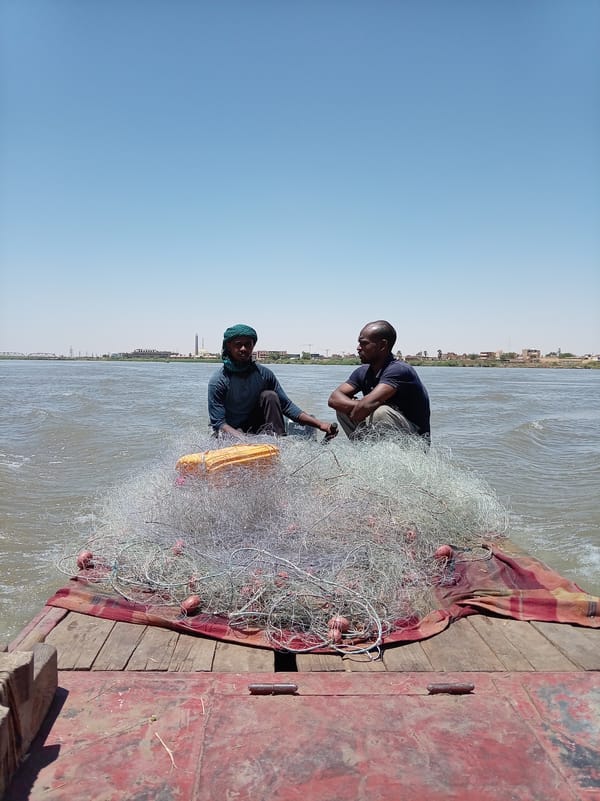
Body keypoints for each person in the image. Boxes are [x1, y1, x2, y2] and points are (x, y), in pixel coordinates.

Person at [208, 324, 338, 439]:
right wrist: (245, 441)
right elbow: (219, 423)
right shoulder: (218, 380)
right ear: (229, 346)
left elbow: (286, 406)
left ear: (253, 346)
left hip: (254, 428)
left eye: (248, 344)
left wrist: (321, 425)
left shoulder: (264, 374)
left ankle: (278, 441)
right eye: (238, 344)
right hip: (231, 432)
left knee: (269, 395)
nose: (243, 348)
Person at [328, 320, 430, 442]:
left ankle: (392, 457)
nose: (358, 348)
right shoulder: (363, 372)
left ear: (382, 345)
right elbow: (334, 399)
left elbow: (361, 412)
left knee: (380, 413)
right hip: (380, 432)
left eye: (364, 343)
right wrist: (361, 406)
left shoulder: (399, 370)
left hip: (414, 441)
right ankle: (366, 453)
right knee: (342, 409)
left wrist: (366, 406)